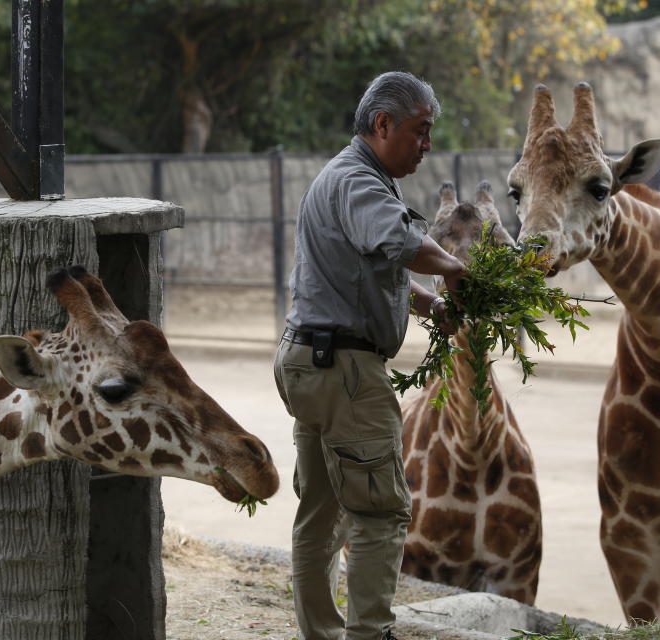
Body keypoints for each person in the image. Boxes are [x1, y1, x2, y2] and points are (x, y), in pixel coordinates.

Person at [273, 71, 467, 640]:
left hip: (308, 362)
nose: (426, 146)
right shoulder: (360, 182)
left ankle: (321, 634)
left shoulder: (341, 178)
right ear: (382, 125)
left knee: (321, 515)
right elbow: (400, 242)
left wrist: (427, 303)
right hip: (346, 375)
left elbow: (362, 273)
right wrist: (454, 269)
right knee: (380, 512)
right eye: (420, 131)